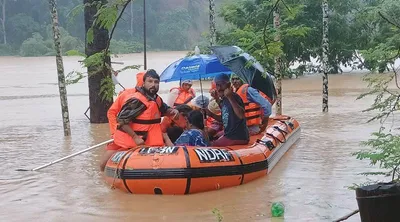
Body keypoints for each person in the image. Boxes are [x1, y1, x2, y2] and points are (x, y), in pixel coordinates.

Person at [100, 69, 179, 171]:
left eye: (156, 82)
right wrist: (135, 137)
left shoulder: (156, 98)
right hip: (131, 138)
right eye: (150, 81)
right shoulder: (136, 100)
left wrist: (172, 111)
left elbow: (164, 109)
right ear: (144, 83)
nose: (153, 85)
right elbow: (122, 120)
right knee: (103, 164)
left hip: (150, 140)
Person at [205, 73, 249, 146]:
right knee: (214, 136)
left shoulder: (234, 97)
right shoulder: (224, 99)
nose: (219, 88)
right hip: (229, 133)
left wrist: (230, 97)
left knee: (211, 144)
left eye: (221, 84)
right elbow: (225, 118)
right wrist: (210, 113)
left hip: (236, 136)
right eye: (217, 85)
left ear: (228, 85)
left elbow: (241, 115)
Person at [107, 71, 146, 135]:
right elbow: (111, 112)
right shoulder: (125, 94)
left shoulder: (154, 98)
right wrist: (114, 131)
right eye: (149, 81)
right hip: (127, 134)